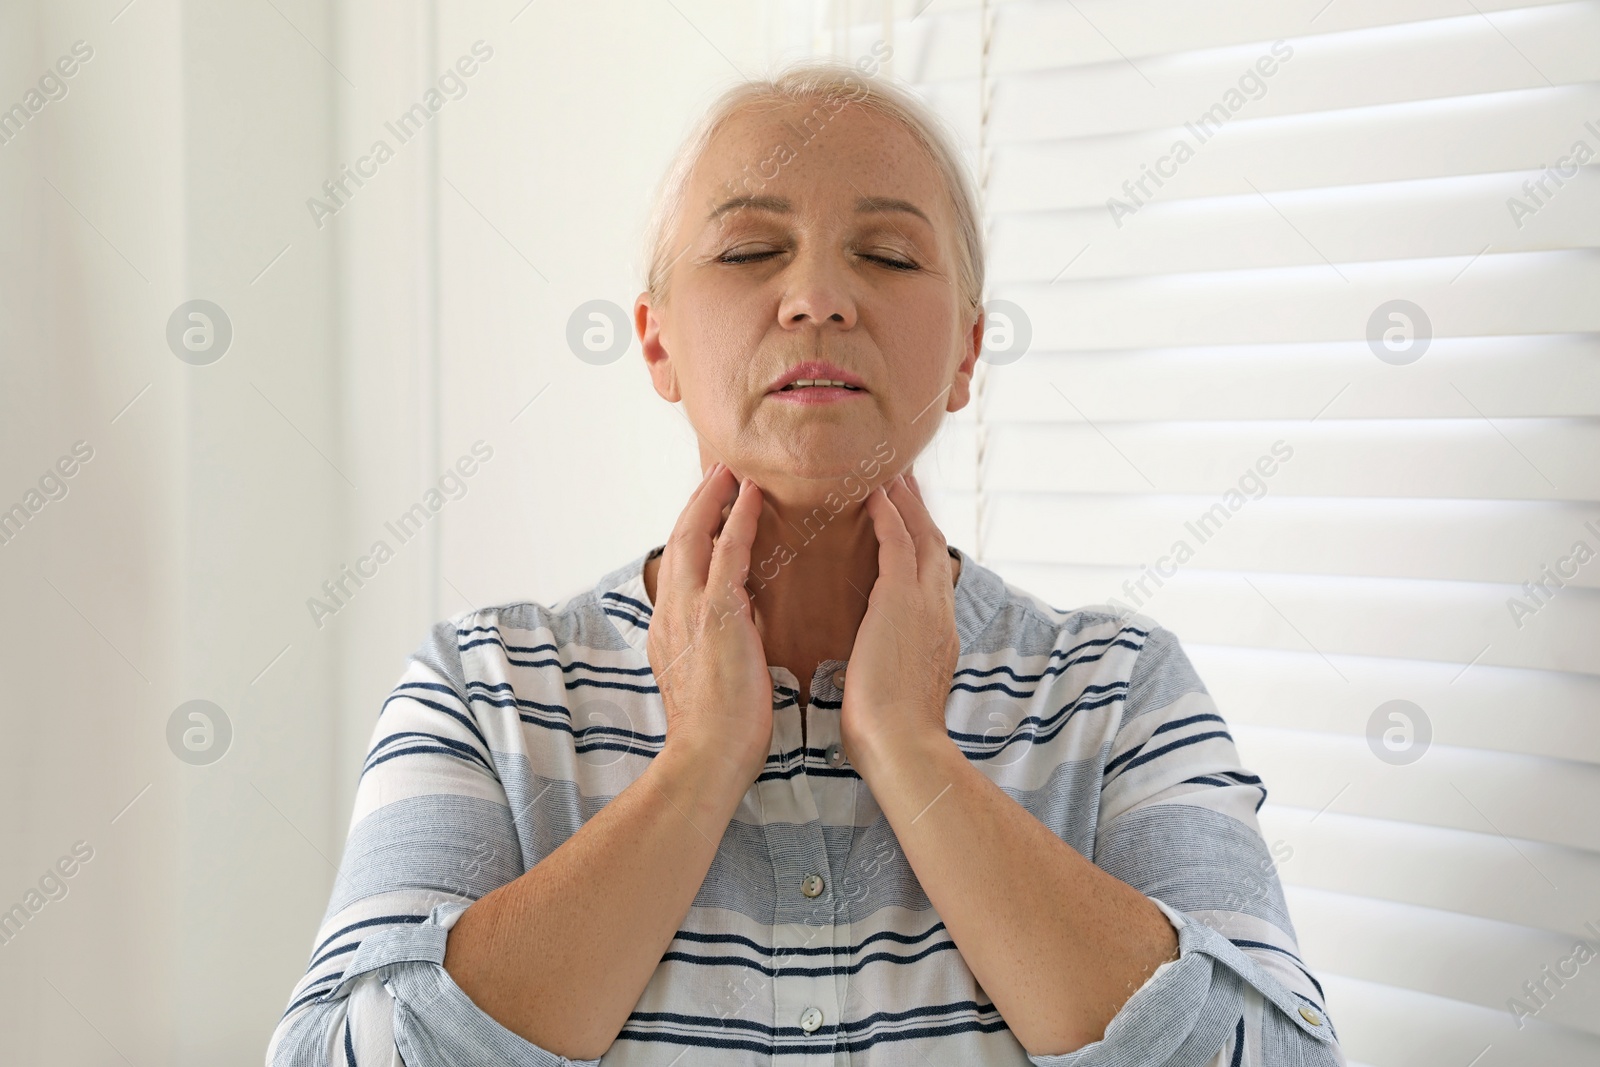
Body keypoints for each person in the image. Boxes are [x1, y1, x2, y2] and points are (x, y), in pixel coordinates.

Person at [266, 58, 1345, 1066]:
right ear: (656, 342)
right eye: (747, 253)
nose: (818, 296)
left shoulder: (1118, 690)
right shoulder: (485, 685)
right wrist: (698, 767)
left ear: (966, 350)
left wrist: (911, 752)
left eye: (885, 254)